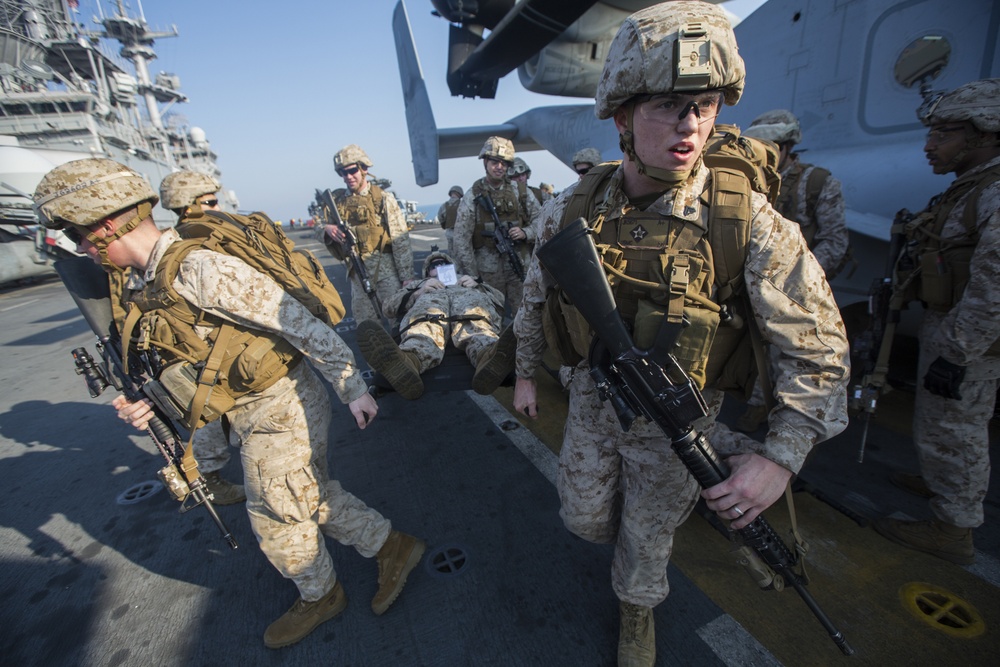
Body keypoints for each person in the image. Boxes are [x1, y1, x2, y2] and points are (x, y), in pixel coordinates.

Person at [511, 4, 850, 666]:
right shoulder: (570, 207)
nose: (691, 123)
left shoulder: (745, 218)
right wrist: (525, 371)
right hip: (593, 403)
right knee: (584, 518)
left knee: (647, 535)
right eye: (668, 104)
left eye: (706, 103)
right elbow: (532, 301)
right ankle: (710, 471)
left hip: (681, 421)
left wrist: (781, 457)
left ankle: (638, 609)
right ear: (622, 118)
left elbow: (821, 349)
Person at [34, 158, 426, 649]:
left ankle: (322, 593)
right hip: (246, 407)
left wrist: (353, 388)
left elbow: (296, 322)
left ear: (108, 223)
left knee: (277, 520)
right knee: (306, 497)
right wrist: (151, 405)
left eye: (81, 235)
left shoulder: (198, 268)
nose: (84, 249)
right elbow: (191, 358)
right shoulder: (148, 281)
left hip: (280, 405)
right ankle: (392, 545)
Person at [873, 79, 1000, 566]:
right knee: (945, 426)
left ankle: (954, 526)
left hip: (968, 337)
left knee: (959, 425)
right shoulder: (969, 189)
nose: (930, 145)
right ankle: (942, 478)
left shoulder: (992, 191)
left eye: (944, 134)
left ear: (984, 135)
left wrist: (958, 351)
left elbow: (993, 283)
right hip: (953, 327)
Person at [734, 109, 851, 432]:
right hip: (752, 288)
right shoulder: (745, 182)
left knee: (797, 361)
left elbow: (834, 240)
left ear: (786, 147)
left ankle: (791, 428)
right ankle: (757, 407)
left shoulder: (817, 183)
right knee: (755, 357)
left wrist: (795, 282)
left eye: (771, 147)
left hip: (797, 292)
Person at [156, 170, 245, 504]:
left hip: (218, 351)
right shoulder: (181, 251)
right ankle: (207, 479)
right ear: (188, 207)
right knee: (207, 423)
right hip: (199, 358)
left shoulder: (205, 240)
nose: (217, 206)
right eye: (210, 202)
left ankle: (209, 474)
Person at [355, 251, 517, 399]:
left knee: (478, 329)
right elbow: (388, 307)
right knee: (423, 332)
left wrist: (478, 286)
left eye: (444, 264)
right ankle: (409, 363)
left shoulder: (466, 280)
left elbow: (500, 300)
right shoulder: (419, 285)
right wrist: (418, 292)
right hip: (430, 318)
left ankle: (487, 357)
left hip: (469, 315)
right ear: (427, 272)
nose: (439, 267)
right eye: (434, 266)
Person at [322, 144, 416, 325]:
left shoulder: (382, 198)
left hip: (386, 273)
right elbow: (318, 226)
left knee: (400, 324)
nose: (348, 177)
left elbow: (400, 239)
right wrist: (327, 229)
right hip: (356, 275)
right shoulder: (337, 202)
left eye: (352, 171)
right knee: (368, 328)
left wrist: (407, 278)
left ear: (364, 169)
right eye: (342, 173)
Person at [454, 136, 542, 315]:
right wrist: (473, 275)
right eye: (495, 161)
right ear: (485, 162)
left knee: (526, 314)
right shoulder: (473, 195)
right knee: (490, 316)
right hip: (487, 272)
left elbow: (541, 220)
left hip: (518, 266)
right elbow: (461, 238)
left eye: (504, 162)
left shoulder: (520, 192)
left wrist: (526, 232)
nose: (500, 167)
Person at [436, 185, 464, 256]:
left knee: (451, 252)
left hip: (449, 232)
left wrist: (444, 225)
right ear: (459, 194)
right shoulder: (463, 204)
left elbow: (440, 217)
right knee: (462, 253)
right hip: (461, 232)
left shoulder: (444, 205)